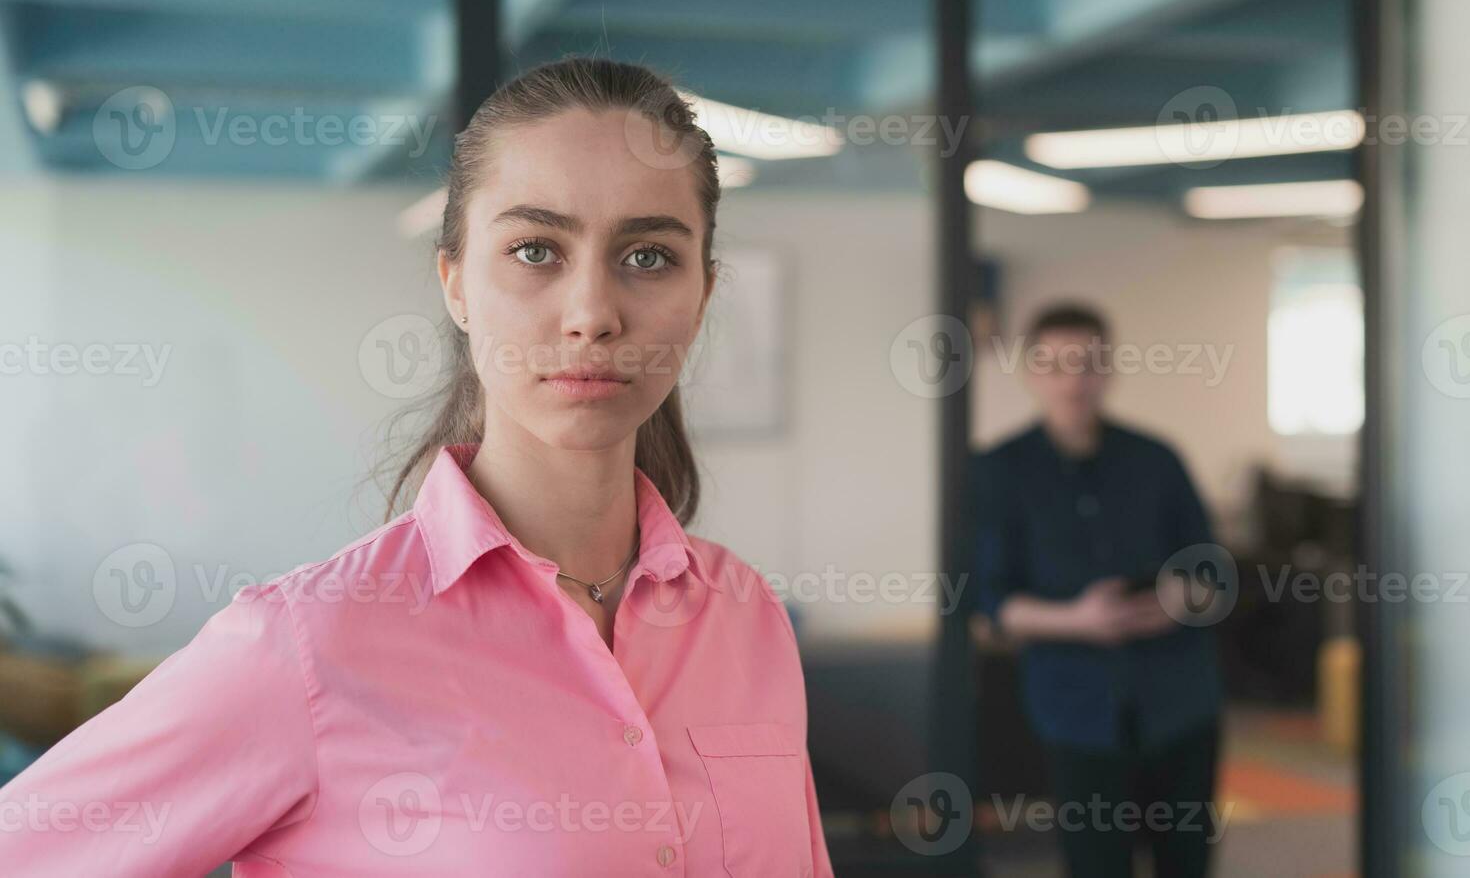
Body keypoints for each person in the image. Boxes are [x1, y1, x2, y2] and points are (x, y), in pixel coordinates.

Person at [0, 57, 834, 877]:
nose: (592, 313)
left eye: (648, 256)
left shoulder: (745, 617)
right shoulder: (305, 648)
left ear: (703, 294)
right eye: (537, 250)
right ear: (456, 285)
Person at [970, 302, 1223, 878]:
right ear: (1030, 372)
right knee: (1096, 864)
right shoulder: (999, 471)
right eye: (1056, 364)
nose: (1073, 380)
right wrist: (1078, 620)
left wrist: (1182, 601)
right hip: (1077, 706)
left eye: (1088, 363)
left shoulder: (1157, 459)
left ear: (1109, 369)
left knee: (1185, 862)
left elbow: (1215, 572)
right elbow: (986, 601)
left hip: (1179, 700)